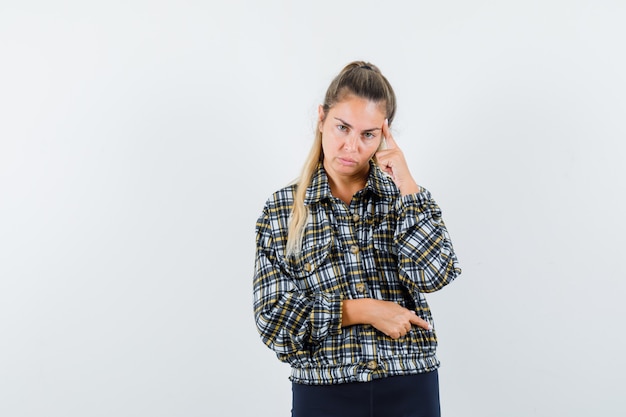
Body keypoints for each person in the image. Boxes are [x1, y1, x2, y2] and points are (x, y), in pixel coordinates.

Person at [253, 61, 461, 417]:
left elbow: (434, 275)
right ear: (321, 118)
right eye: (342, 127)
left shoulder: (404, 197)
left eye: (368, 134)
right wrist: (362, 310)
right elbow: (273, 319)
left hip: (409, 382)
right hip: (323, 390)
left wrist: (407, 185)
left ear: (384, 134)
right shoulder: (282, 210)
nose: (351, 146)